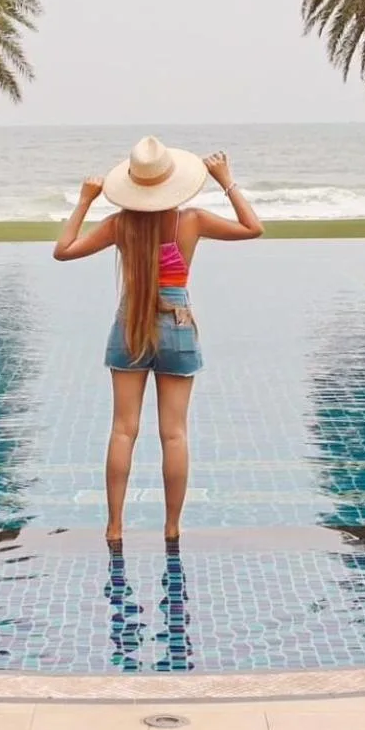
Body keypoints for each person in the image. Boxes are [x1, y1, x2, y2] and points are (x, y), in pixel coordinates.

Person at [54, 137, 264, 542]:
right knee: (175, 434)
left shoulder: (119, 225)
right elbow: (253, 228)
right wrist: (226, 181)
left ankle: (114, 527)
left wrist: (85, 200)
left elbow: (63, 251)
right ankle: (172, 527)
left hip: (130, 326)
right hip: (178, 327)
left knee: (122, 430)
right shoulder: (193, 221)